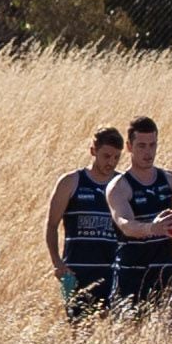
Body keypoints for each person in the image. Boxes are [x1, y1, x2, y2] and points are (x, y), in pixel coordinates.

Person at [106, 118, 172, 317]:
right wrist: (153, 228)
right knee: (129, 339)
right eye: (141, 146)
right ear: (129, 147)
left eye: (152, 145)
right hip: (131, 272)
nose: (148, 152)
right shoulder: (119, 186)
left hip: (164, 271)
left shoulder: (170, 179)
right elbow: (125, 224)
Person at [51, 127, 130, 318]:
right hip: (75, 272)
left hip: (114, 271)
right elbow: (51, 225)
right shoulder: (70, 182)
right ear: (93, 151)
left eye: (116, 158)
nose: (110, 163)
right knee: (78, 333)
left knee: (114, 332)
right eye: (106, 156)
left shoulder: (124, 185)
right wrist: (57, 263)